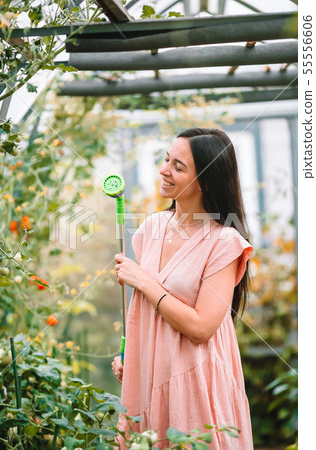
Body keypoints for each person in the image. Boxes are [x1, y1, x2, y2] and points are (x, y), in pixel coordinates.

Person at [112, 128, 254, 449]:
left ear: (205, 181)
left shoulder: (224, 243)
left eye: (178, 166)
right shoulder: (151, 228)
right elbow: (146, 314)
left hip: (195, 385)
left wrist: (144, 281)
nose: (164, 170)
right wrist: (133, 357)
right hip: (151, 382)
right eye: (166, 159)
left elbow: (202, 328)